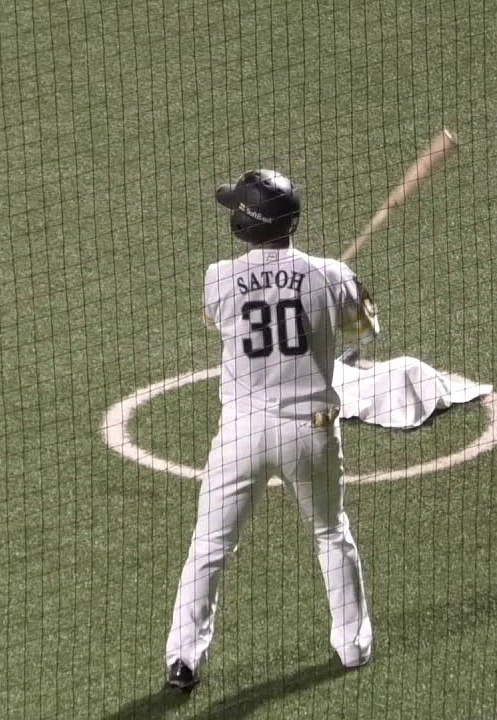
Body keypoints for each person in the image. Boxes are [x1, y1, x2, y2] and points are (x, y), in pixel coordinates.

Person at [164, 169, 379, 691]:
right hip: (310, 430)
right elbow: (364, 332)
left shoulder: (218, 277)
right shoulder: (331, 273)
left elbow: (224, 321)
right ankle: (352, 647)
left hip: (240, 433)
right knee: (330, 533)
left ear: (245, 223)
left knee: (209, 545)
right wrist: (336, 294)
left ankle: (183, 660)